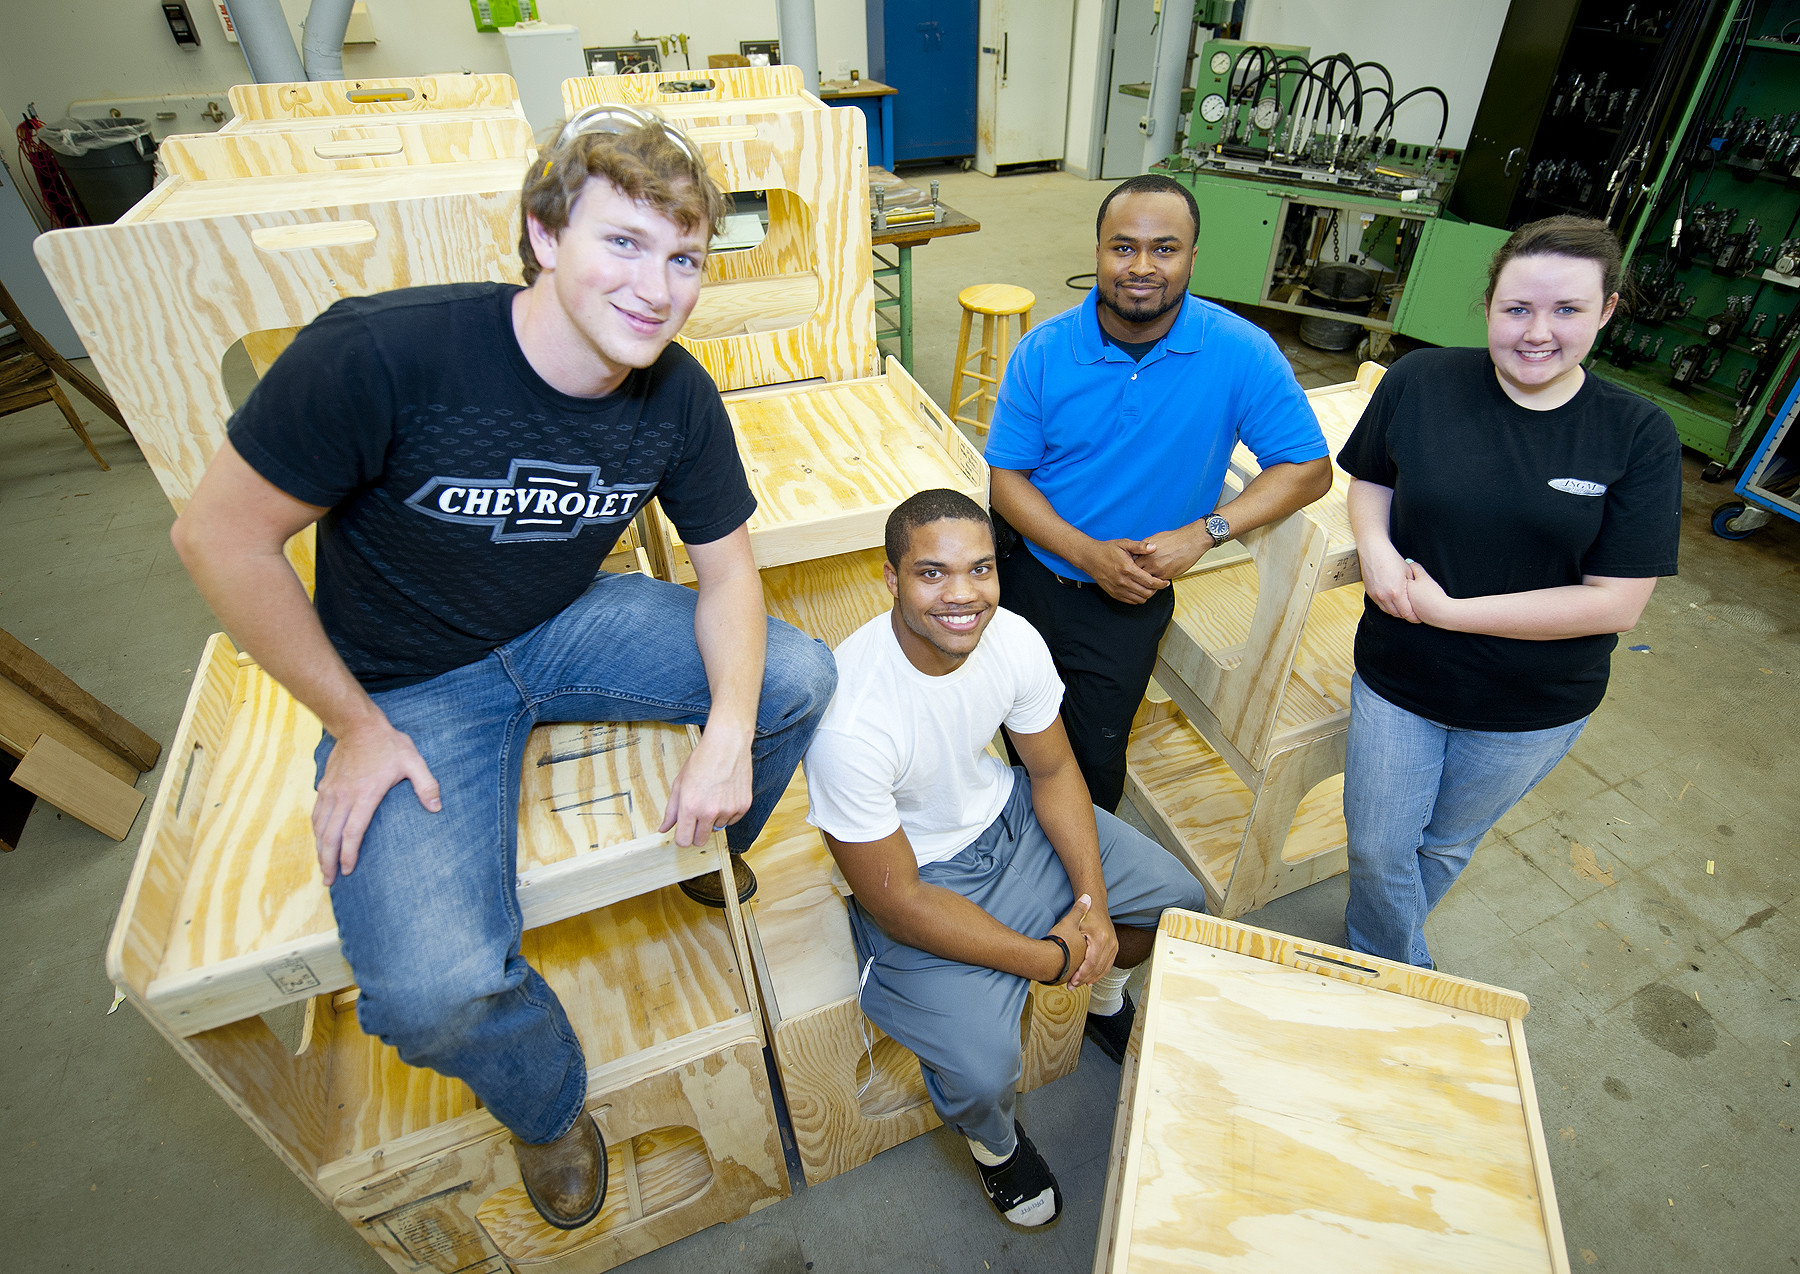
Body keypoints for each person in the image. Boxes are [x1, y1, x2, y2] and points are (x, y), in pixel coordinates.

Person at [168, 108, 836, 1231]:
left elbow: (731, 578)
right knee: (432, 993)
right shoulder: (383, 354)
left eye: (684, 258)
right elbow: (217, 538)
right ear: (541, 234)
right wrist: (357, 722)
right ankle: (547, 1103)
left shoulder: (675, 393)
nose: (658, 286)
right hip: (406, 682)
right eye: (622, 242)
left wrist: (726, 735)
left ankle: (705, 854)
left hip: (565, 619)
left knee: (797, 679)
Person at [802, 489, 1208, 1228]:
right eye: (932, 573)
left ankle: (1105, 993)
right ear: (890, 579)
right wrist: (1049, 959)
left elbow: (1052, 772)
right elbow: (901, 904)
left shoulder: (1012, 637)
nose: (963, 595)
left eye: (981, 569)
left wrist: (1090, 908)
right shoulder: (850, 721)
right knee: (985, 1068)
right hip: (919, 881)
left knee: (1181, 903)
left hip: (1009, 819)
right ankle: (995, 1148)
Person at [1336, 215, 1680, 968]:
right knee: (1376, 844)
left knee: (1447, 843)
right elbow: (1370, 480)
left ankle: (1374, 960)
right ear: (1488, 303)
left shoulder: (1638, 434)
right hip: (1401, 674)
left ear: (1609, 311)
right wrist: (1378, 548)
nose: (1537, 333)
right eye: (1517, 308)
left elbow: (1614, 603)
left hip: (1531, 707)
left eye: (1567, 310)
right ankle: (1398, 966)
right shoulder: (1421, 381)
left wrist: (1452, 612)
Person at [984, 173, 1336, 814]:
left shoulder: (1240, 352)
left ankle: (1082, 893)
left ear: (1193, 257)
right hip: (1029, 573)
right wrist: (1088, 554)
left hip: (1131, 600)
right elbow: (1006, 480)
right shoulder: (1044, 351)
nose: (1142, 266)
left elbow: (1309, 468)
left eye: (1164, 248)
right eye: (1123, 247)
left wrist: (1206, 532)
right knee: (1017, 729)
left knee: (1093, 762)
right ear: (1096, 252)